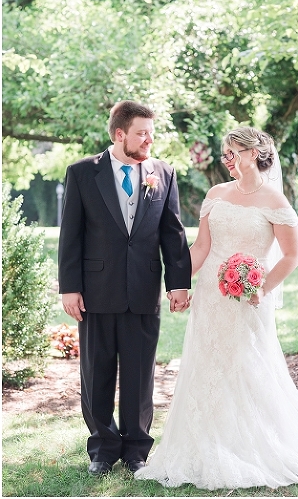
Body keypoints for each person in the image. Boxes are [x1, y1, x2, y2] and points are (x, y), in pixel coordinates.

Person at [134, 127, 298, 490]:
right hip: (210, 295)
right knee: (206, 365)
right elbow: (201, 247)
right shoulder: (216, 194)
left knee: (247, 365)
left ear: (253, 152)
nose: (226, 160)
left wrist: (262, 287)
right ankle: (202, 444)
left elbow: (292, 254)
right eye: (224, 154)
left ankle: (250, 444)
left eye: (232, 152)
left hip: (248, 298)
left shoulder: (274, 201)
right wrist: (179, 282)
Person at [58, 100, 192, 476]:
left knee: (139, 374)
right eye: (142, 133)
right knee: (97, 372)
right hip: (95, 290)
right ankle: (102, 447)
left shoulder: (163, 172)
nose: (149, 139)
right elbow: (71, 234)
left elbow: (173, 232)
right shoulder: (83, 172)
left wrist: (178, 283)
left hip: (144, 290)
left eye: (151, 132)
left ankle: (136, 449)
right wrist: (70, 287)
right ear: (120, 135)